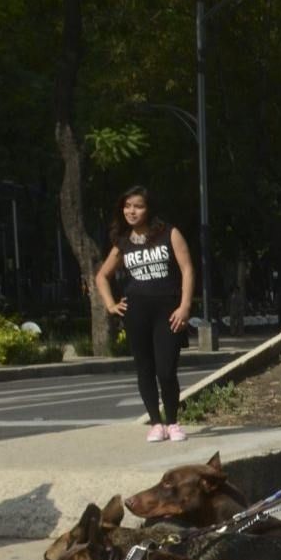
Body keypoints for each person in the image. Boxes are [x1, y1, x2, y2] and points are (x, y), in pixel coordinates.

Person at [93, 186, 195, 442]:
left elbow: (187, 270)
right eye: (127, 206)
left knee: (166, 370)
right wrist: (111, 305)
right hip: (136, 312)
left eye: (137, 206)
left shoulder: (169, 234)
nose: (131, 211)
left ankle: (172, 422)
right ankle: (155, 423)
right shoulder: (123, 242)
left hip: (168, 311)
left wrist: (184, 307)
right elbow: (102, 276)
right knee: (145, 369)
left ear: (148, 208)